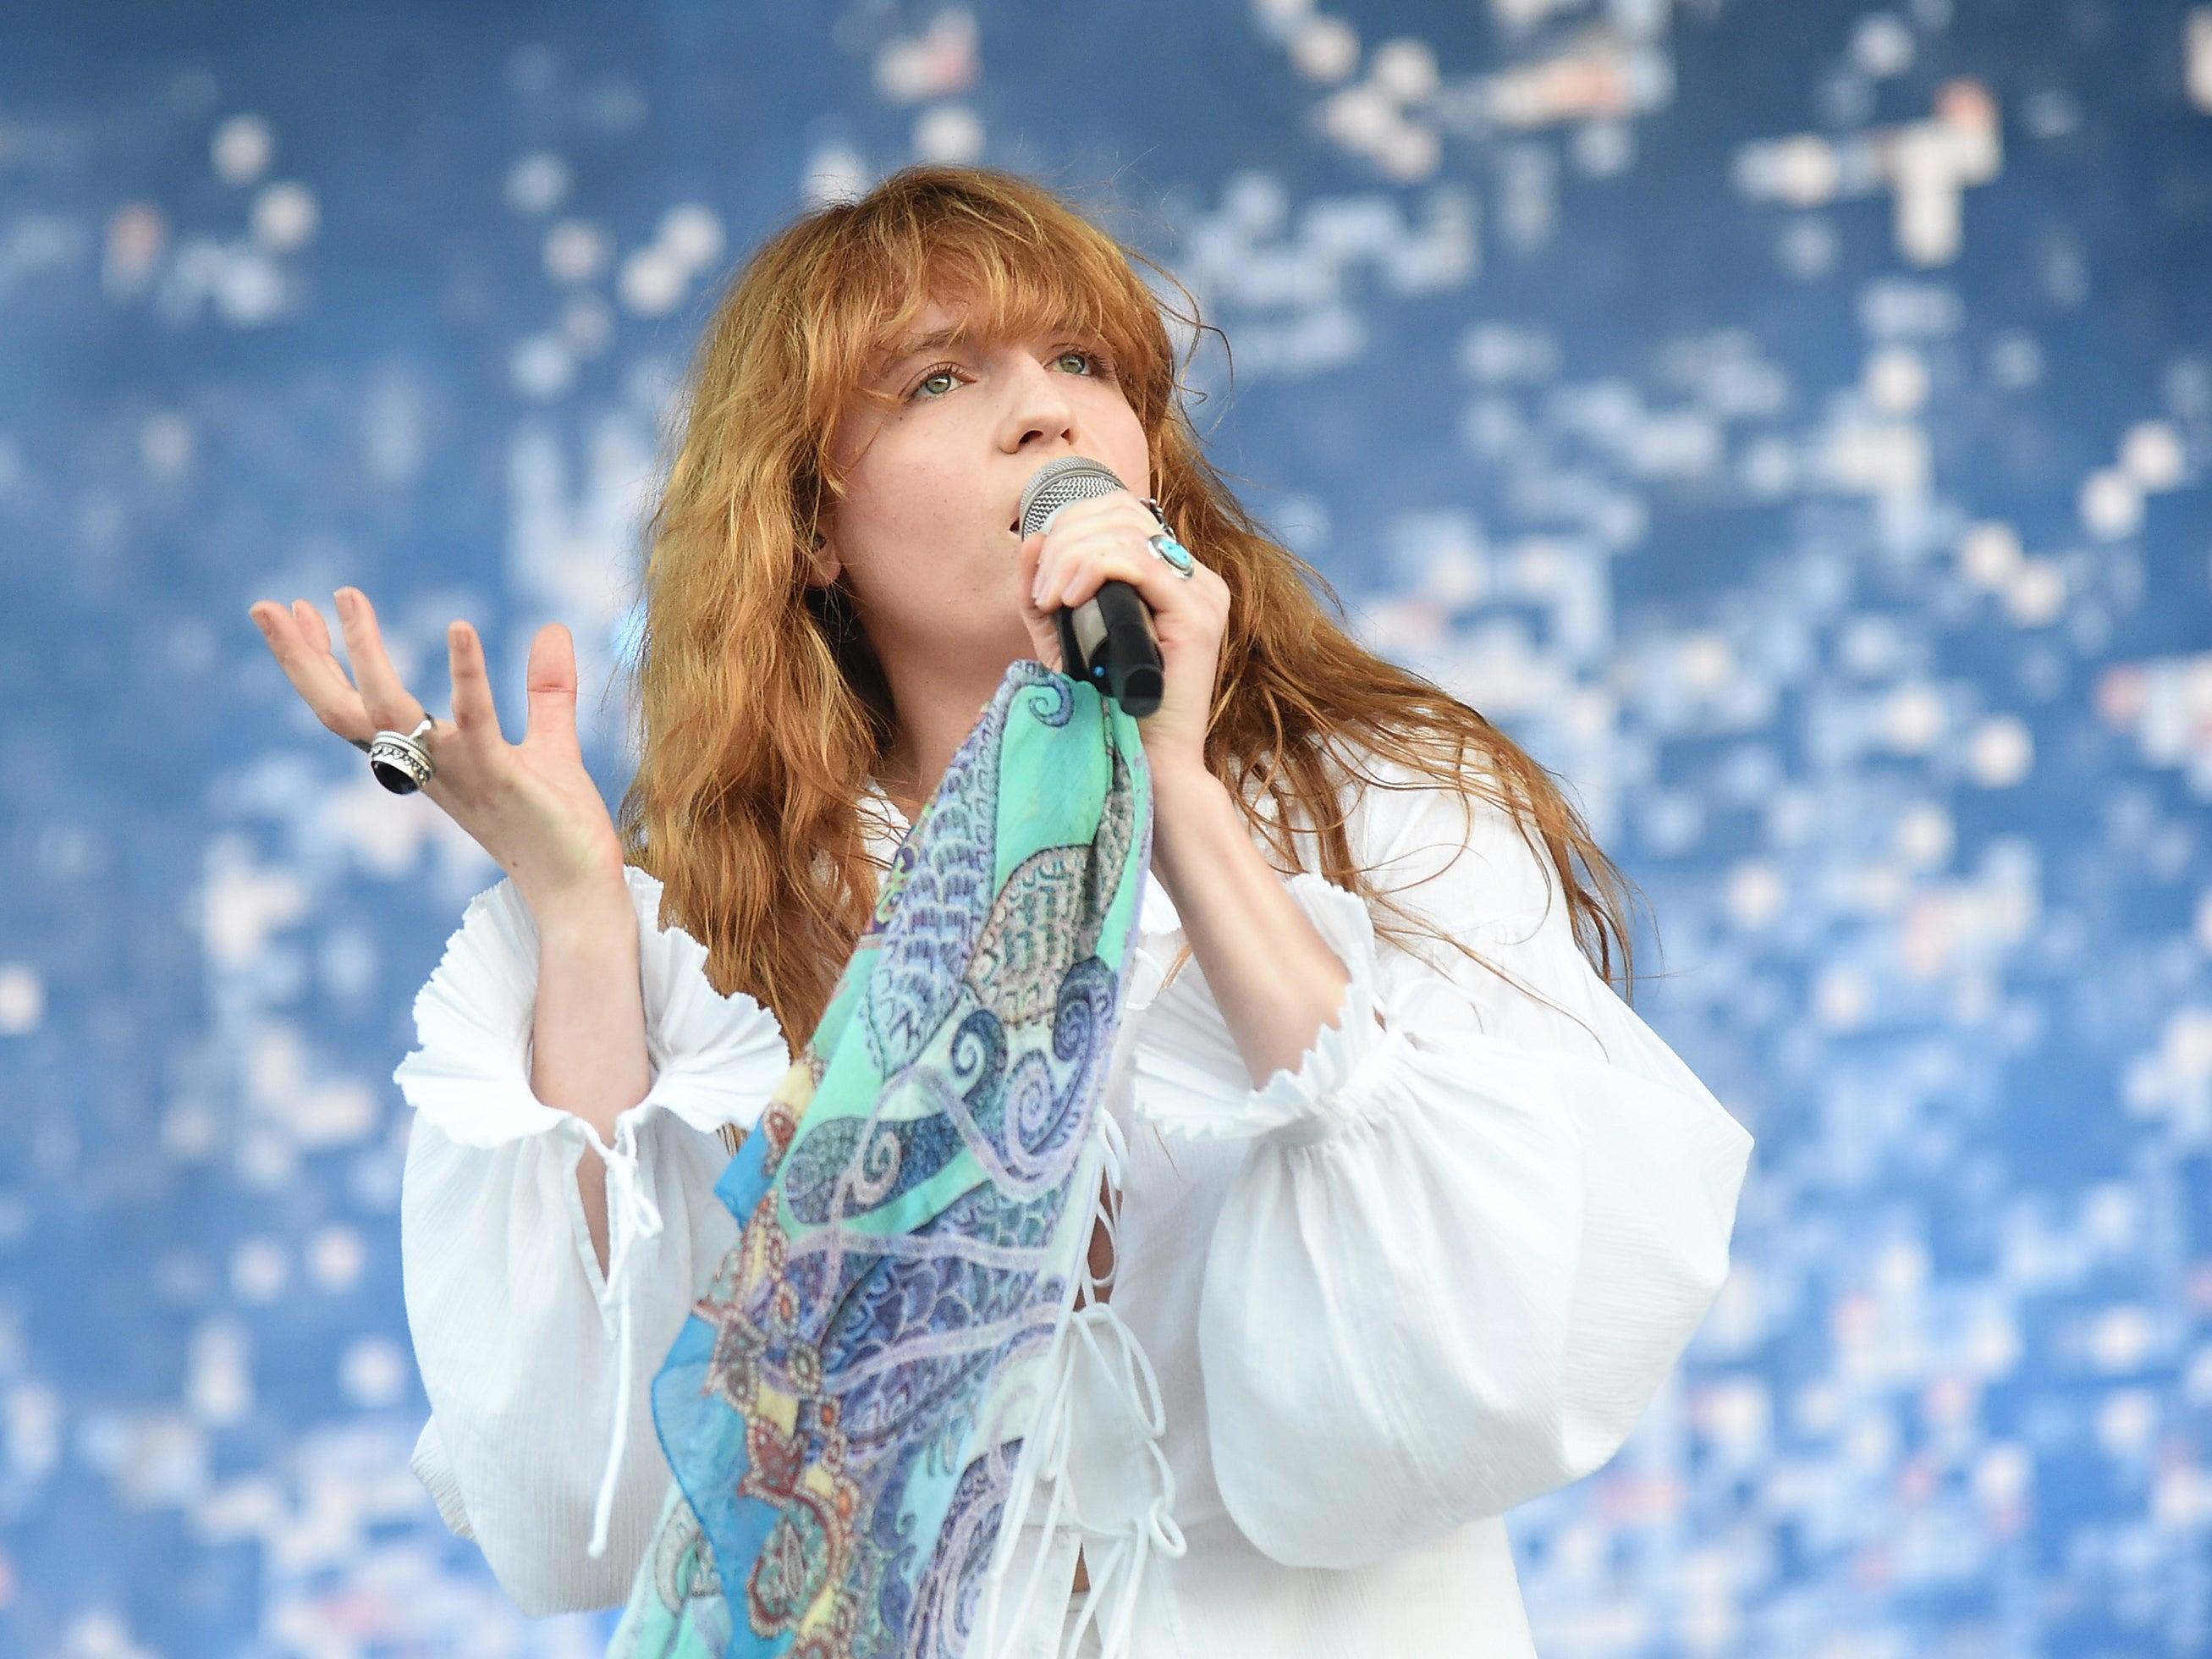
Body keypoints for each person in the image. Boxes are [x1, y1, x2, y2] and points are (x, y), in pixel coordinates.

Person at [248, 165, 1753, 1659]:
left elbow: (1470, 1374)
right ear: (812, 526)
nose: (1044, 414)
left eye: (1083, 365)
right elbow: (601, 1500)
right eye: (941, 379)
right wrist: (577, 909)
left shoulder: (1381, 811)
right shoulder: (719, 920)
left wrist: (1176, 792)